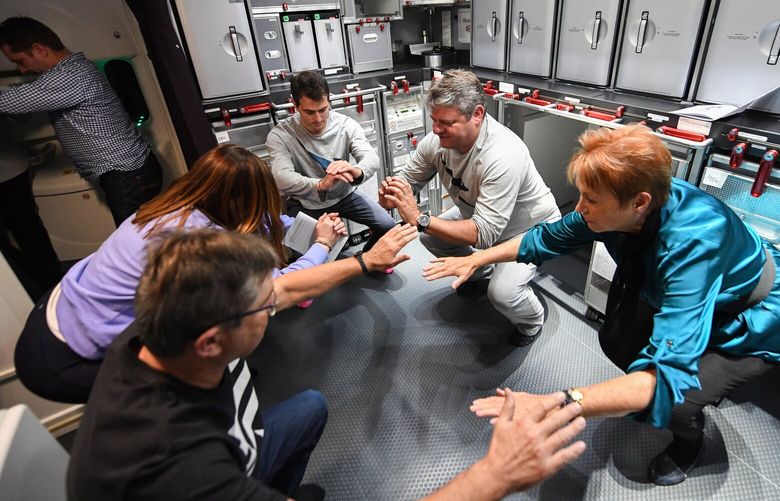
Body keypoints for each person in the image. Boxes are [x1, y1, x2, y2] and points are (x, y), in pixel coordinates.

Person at [67, 228, 586, 500]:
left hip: (242, 441)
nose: (276, 303)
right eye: (263, 304)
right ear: (210, 343)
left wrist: (364, 262)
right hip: (219, 471)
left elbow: (290, 287)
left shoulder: (165, 321)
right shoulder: (179, 468)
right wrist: (495, 475)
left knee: (310, 406)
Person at [423, 124, 780, 486]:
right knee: (620, 342)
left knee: (675, 400)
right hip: (693, 294)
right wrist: (478, 259)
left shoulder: (693, 247)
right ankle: (645, 395)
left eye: (590, 200)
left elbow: (666, 377)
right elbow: (546, 237)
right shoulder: (625, 204)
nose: (580, 208)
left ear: (639, 202)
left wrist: (560, 402)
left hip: (752, 317)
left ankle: (689, 441)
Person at [13, 144, 347, 404]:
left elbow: (261, 220)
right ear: (236, 202)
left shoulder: (185, 203)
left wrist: (303, 226)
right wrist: (321, 244)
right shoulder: (197, 245)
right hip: (67, 356)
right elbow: (277, 289)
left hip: (57, 307)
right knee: (178, 403)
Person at [380, 69, 561, 346]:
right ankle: (478, 273)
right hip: (479, 216)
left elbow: (484, 235)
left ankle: (532, 322)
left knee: (503, 293)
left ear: (477, 114)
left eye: (446, 122)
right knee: (431, 236)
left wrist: (420, 218)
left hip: (528, 228)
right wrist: (391, 193)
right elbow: (408, 180)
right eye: (434, 120)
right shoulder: (436, 143)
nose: (436, 129)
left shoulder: (502, 154)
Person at [0, 16, 162, 226]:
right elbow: (22, 111)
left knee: (136, 244)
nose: (22, 70)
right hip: (128, 173)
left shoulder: (70, 76)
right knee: (141, 238)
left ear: (39, 49)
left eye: (20, 61)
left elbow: (7, 102)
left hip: (128, 176)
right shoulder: (63, 74)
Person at [266, 70, 396, 253]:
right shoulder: (280, 135)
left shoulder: (345, 124)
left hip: (345, 195)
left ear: (329, 101)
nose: (318, 119)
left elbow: (371, 158)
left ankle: (366, 258)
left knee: (388, 225)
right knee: (300, 251)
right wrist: (320, 185)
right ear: (295, 105)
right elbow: (280, 176)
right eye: (309, 112)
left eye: (323, 110)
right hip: (306, 202)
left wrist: (355, 170)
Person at [0, 136, 61, 299]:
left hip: (9, 169)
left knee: (28, 232)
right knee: (28, 231)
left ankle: (48, 287)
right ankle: (48, 286)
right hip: (11, 168)